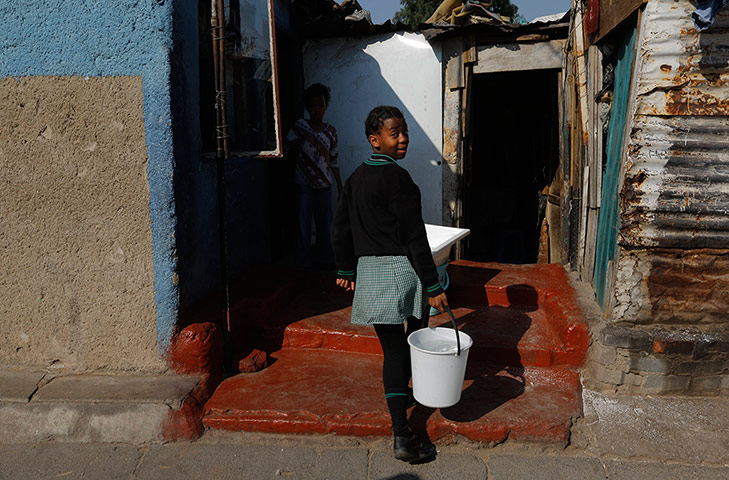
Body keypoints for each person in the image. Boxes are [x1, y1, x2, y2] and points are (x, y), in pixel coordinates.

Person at [331, 105, 448, 464]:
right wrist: (433, 285)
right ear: (374, 139)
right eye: (394, 133)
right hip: (403, 270)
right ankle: (403, 435)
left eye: (404, 132)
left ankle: (401, 408)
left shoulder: (354, 179)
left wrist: (346, 269)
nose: (402, 139)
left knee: (392, 349)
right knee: (411, 342)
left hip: (371, 273)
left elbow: (340, 228)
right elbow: (414, 237)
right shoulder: (400, 180)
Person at [286, 83, 343, 267]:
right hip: (304, 184)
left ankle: (324, 259)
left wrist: (340, 186)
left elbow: (334, 161)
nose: (317, 110)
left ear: (326, 106)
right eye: (313, 106)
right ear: (307, 107)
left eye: (321, 106)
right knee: (303, 223)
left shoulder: (331, 131)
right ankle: (302, 260)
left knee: (324, 224)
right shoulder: (300, 126)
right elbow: (286, 147)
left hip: (324, 186)